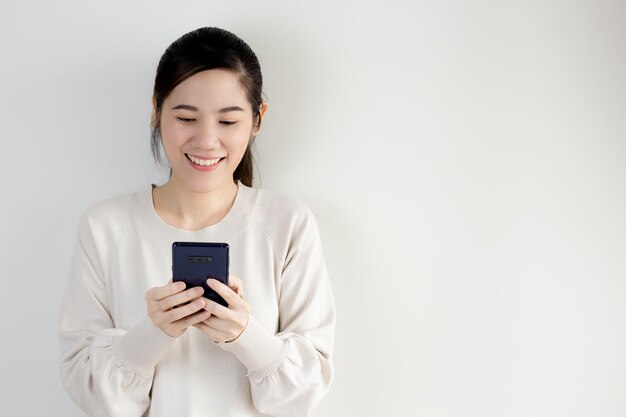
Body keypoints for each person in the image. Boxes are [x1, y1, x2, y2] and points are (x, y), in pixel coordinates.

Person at [58, 26, 336, 417]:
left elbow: (301, 396)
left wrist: (245, 334)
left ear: (257, 119)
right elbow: (97, 399)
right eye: (187, 117)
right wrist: (152, 333)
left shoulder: (287, 224)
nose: (207, 141)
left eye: (227, 122)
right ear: (156, 111)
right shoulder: (105, 228)